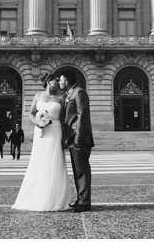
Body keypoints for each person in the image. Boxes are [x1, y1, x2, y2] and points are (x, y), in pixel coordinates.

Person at [12, 74, 70, 212]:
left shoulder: (61, 98)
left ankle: (53, 198)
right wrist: (37, 123)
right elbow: (31, 113)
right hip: (40, 131)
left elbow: (63, 119)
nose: (58, 83)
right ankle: (36, 196)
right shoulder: (38, 95)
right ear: (49, 82)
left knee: (53, 161)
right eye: (56, 81)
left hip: (55, 131)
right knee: (38, 161)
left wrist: (65, 138)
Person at [59, 70, 94, 213]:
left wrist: (78, 139)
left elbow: (82, 117)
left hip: (79, 139)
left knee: (82, 171)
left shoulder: (79, 93)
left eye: (61, 80)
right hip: (72, 139)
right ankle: (81, 199)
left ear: (66, 82)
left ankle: (85, 201)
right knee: (77, 170)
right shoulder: (70, 94)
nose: (59, 82)